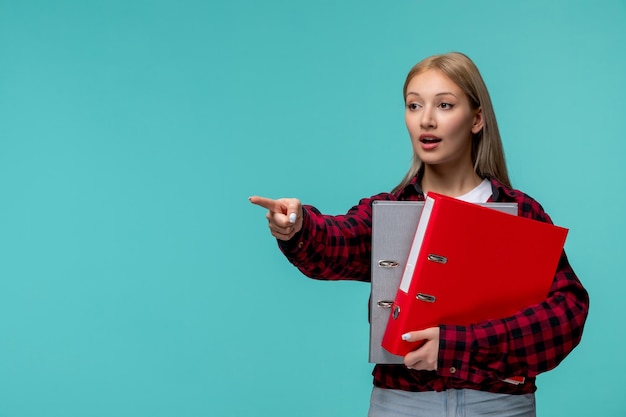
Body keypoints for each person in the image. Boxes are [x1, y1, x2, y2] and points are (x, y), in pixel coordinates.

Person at [249, 52, 589, 417]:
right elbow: (339, 241)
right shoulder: (388, 210)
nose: (426, 119)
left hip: (499, 405)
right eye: (414, 105)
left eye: (444, 105)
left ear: (476, 119)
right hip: (401, 405)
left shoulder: (522, 212)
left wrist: (459, 346)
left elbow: (566, 313)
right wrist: (300, 227)